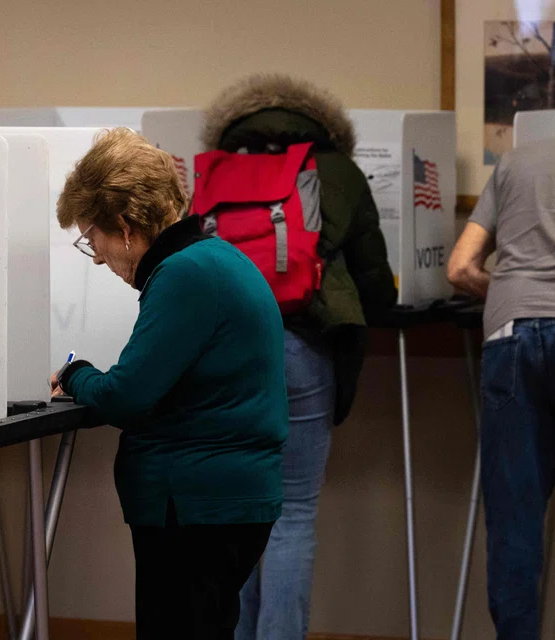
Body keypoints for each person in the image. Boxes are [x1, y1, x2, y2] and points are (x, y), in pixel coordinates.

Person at [51, 128, 288, 640]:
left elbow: (127, 395)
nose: (94, 256)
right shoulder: (215, 259)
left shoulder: (185, 275)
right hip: (219, 501)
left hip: (196, 507)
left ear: (124, 224)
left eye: (93, 236)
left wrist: (75, 374)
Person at [199, 74, 397, 640]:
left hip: (223, 354)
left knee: (238, 516)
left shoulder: (214, 170)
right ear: (323, 124)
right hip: (301, 345)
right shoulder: (337, 171)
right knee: (291, 517)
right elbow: (374, 282)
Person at [447, 98, 555, 640]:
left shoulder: (515, 161)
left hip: (508, 340)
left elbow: (460, 267)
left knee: (513, 522)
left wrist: (520, 293)